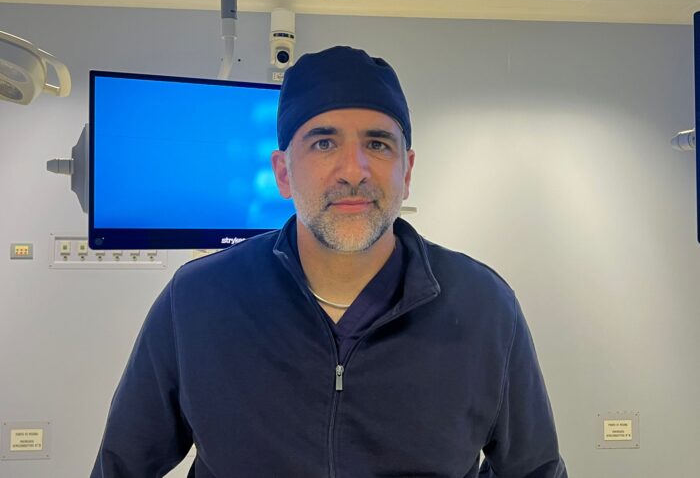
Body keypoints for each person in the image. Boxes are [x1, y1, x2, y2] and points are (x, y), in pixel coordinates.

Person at [91, 46, 567, 477]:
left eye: (378, 144)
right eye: (324, 143)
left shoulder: (484, 307)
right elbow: (121, 468)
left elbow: (536, 471)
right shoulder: (198, 301)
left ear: (407, 172)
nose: (354, 171)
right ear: (283, 173)